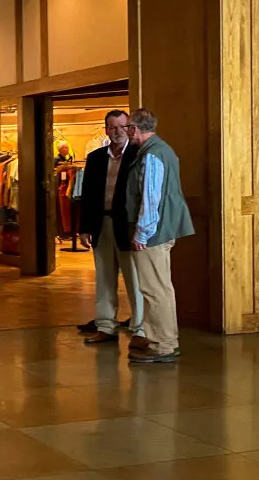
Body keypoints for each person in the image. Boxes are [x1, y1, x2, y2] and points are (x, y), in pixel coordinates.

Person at [124, 108, 195, 364]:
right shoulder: (159, 150)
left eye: (128, 127)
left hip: (154, 231)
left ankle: (163, 344)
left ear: (135, 128)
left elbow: (151, 198)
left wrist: (142, 233)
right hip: (160, 229)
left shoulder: (152, 154)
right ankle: (159, 338)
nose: (126, 132)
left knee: (154, 288)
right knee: (158, 287)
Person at [79, 110, 145, 346]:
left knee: (134, 279)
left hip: (127, 227)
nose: (116, 132)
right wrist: (84, 227)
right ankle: (105, 326)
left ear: (129, 128)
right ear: (105, 129)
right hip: (101, 224)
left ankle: (139, 329)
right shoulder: (95, 157)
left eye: (121, 127)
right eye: (112, 127)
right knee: (104, 278)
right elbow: (87, 195)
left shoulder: (138, 155)